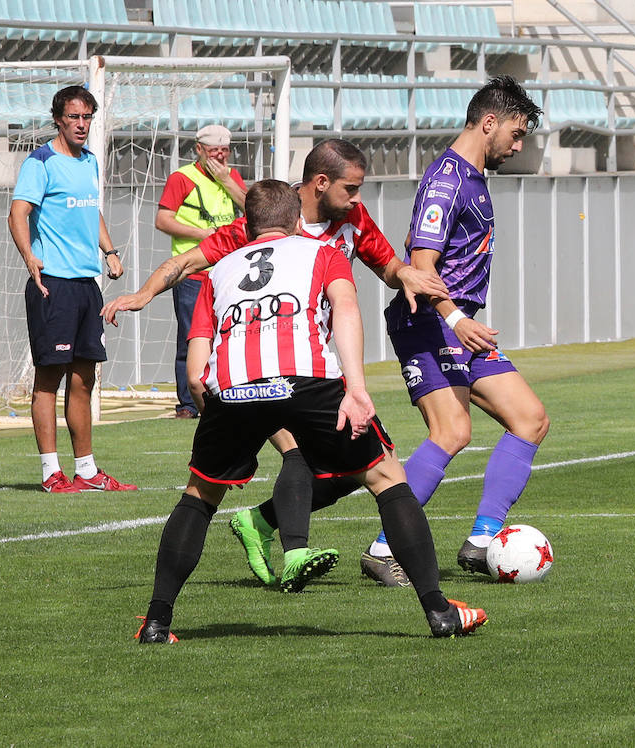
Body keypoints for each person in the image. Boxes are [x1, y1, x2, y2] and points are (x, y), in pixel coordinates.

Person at [134, 179, 487, 642]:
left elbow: (197, 372)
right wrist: (356, 389)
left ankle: (157, 622)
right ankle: (439, 612)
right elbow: (346, 310)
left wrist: (217, 414)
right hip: (307, 380)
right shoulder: (323, 252)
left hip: (234, 390)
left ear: (248, 226)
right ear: (297, 220)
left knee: (200, 496)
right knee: (386, 477)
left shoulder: (218, 271)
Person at [101, 138, 448, 582]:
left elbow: (386, 264)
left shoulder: (353, 219)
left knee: (364, 464)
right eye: (350, 188)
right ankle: (297, 555)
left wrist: (407, 275)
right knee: (306, 455)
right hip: (263, 367)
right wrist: (142, 295)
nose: (357, 199)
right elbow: (188, 262)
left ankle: (260, 522)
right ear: (320, 183)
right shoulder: (264, 224)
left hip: (314, 367)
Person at [362, 75, 550, 580]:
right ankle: (384, 548)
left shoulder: (472, 177)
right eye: (516, 133)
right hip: (432, 321)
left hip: (457, 323)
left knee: (530, 419)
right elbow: (421, 265)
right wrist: (455, 317)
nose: (518, 145)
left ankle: (483, 540)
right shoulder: (447, 180)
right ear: (489, 122)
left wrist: (461, 319)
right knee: (452, 431)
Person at [8, 86, 136, 493]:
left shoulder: (90, 161)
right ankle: (51, 472)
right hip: (53, 286)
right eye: (74, 117)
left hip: (86, 286)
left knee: (84, 379)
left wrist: (109, 251)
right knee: (49, 378)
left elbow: (91, 210)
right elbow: (17, 214)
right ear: (58, 120)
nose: (81, 124)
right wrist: (30, 257)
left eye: (87, 117)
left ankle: (87, 470)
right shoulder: (40, 162)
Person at [155, 124, 247, 419]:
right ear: (199, 150)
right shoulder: (182, 178)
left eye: (224, 150)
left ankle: (225, 394)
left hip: (227, 273)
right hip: (192, 273)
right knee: (191, 337)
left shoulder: (231, 176)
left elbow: (254, 209)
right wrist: (203, 234)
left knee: (228, 334)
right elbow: (163, 220)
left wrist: (227, 181)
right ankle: (188, 403)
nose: (219, 156)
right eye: (213, 151)